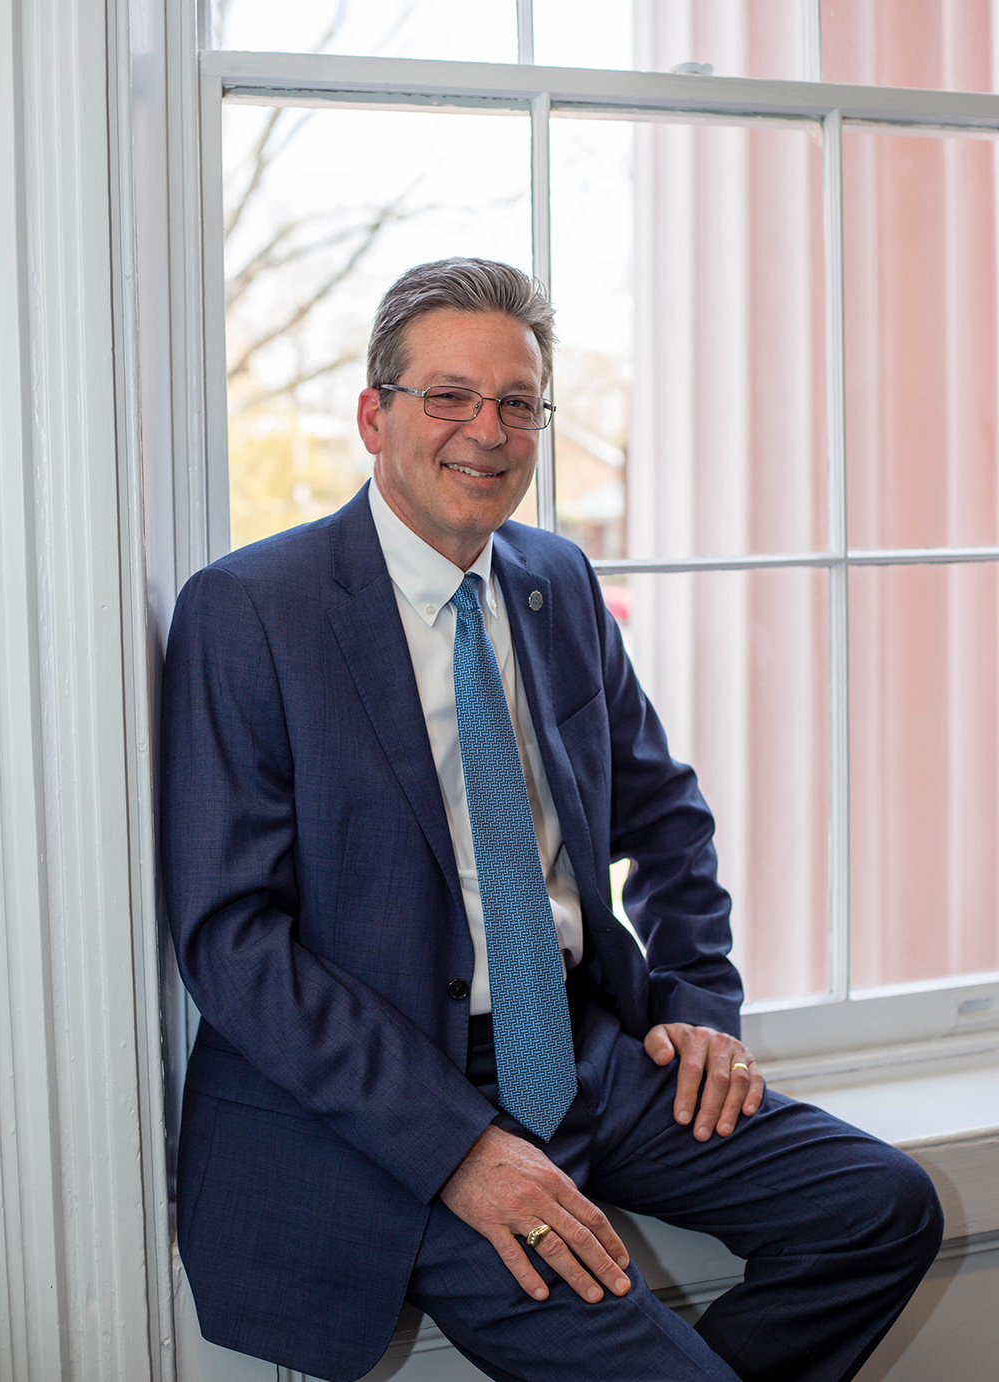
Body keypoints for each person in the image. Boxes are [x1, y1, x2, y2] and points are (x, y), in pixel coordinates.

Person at [161, 257, 943, 1382]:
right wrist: (456, 1147)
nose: (487, 429)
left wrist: (701, 1000)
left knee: (881, 1205)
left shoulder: (555, 579)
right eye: (449, 396)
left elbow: (664, 813)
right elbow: (232, 944)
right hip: (391, 1107)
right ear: (374, 416)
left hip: (580, 1051)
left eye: (517, 402)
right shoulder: (251, 610)